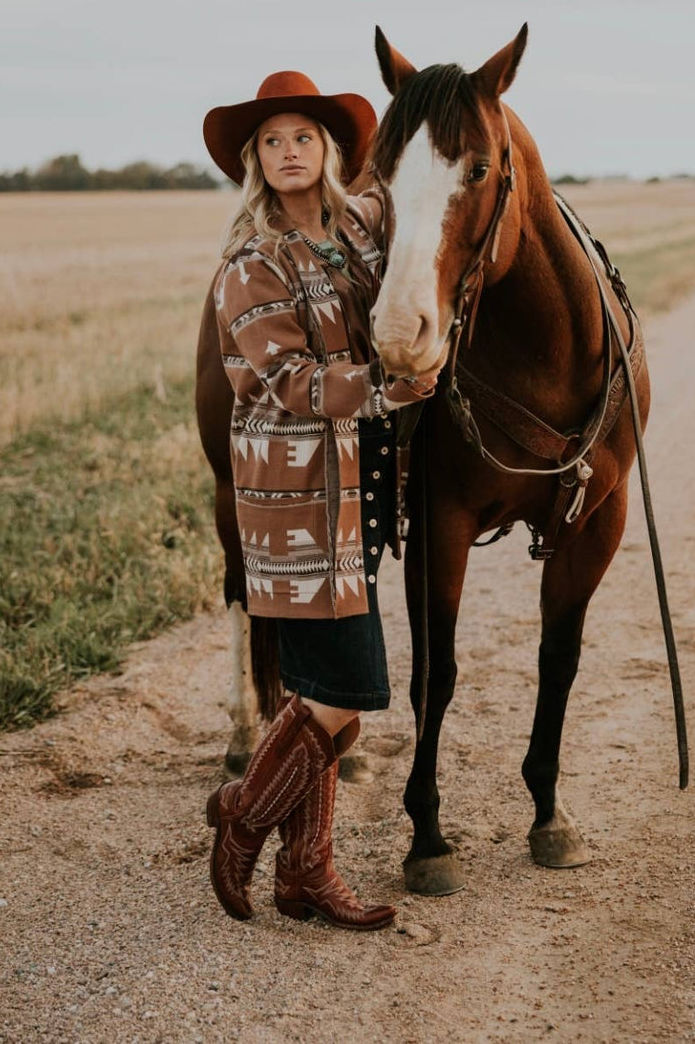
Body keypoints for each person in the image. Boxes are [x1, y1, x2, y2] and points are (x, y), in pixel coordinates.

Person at [201, 70, 437, 932]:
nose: (290, 152)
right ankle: (245, 813)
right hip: (297, 501)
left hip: (360, 493)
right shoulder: (250, 263)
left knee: (312, 694)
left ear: (330, 151)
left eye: (304, 137)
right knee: (351, 690)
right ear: (253, 160)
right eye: (272, 141)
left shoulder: (359, 231)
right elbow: (289, 380)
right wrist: (389, 390)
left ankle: (308, 876)